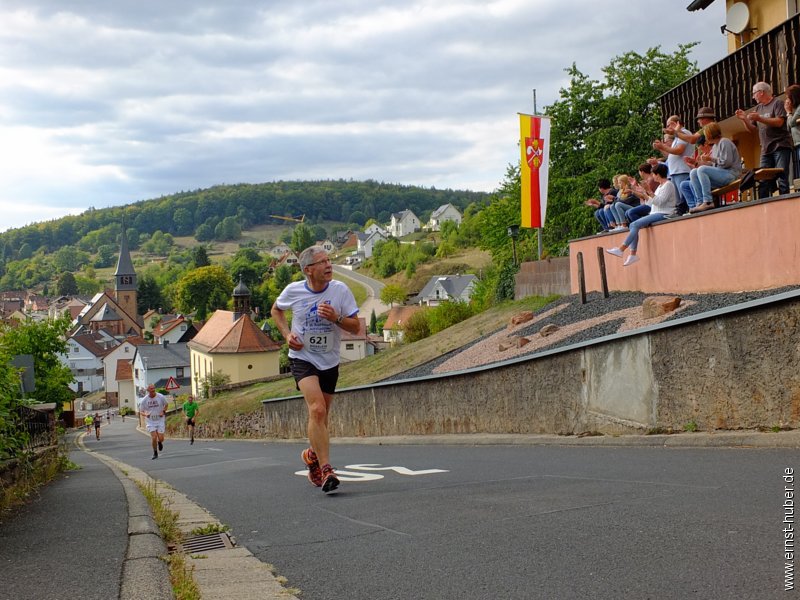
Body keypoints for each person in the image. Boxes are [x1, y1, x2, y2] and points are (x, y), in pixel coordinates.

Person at [271, 245, 360, 494]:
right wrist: (287, 334)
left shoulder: (340, 291)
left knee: (321, 417)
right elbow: (275, 310)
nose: (329, 265)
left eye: (329, 260)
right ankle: (326, 469)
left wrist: (336, 318)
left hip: (329, 361)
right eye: (323, 262)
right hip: (302, 358)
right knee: (317, 409)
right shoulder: (293, 290)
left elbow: (355, 328)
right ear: (308, 270)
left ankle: (311, 455)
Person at [605, 162, 677, 266]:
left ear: (658, 174)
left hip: (665, 213)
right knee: (634, 225)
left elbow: (660, 202)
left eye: (653, 174)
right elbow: (651, 202)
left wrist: (649, 191)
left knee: (634, 224)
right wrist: (644, 193)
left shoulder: (668, 185)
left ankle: (622, 250)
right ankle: (632, 254)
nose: (652, 176)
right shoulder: (661, 186)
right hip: (656, 212)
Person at [736, 81, 793, 198]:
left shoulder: (777, 103)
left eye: (754, 93)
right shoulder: (758, 108)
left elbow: (780, 122)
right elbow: (752, 129)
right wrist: (744, 119)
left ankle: (784, 202)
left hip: (780, 145)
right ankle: (763, 205)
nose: (753, 96)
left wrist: (760, 118)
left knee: (782, 176)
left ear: (761, 92)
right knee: (763, 178)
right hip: (765, 149)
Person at [686, 122, 742, 213]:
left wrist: (711, 159)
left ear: (710, 134)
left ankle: (708, 201)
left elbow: (726, 163)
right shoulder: (715, 146)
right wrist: (697, 162)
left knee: (702, 169)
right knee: (693, 172)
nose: (705, 136)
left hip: (731, 173)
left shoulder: (724, 142)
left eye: (705, 134)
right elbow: (714, 166)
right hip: (722, 173)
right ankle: (700, 202)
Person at [652, 115, 694, 214]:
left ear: (674, 124)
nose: (667, 128)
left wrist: (662, 146)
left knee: (684, 195)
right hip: (676, 171)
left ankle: (688, 212)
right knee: (679, 198)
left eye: (668, 125)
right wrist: (661, 148)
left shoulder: (684, 133)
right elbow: (671, 153)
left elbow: (679, 150)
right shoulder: (677, 136)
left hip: (682, 169)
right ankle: (682, 213)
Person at [138, 384, 169, 459]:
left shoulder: (160, 397)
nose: (153, 390)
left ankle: (160, 442)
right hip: (150, 421)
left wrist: (163, 411)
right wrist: (145, 414)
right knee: (154, 437)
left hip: (160, 420)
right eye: (151, 389)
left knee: (161, 438)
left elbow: (166, 405)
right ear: (148, 390)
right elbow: (141, 411)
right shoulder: (145, 400)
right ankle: (155, 452)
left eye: (154, 389)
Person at [784, 84, 800, 181]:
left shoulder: (798, 110)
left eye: (788, 97)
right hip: (797, 143)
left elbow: (792, 123)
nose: (787, 101)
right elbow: (788, 127)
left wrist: (788, 112)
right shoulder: (796, 110)